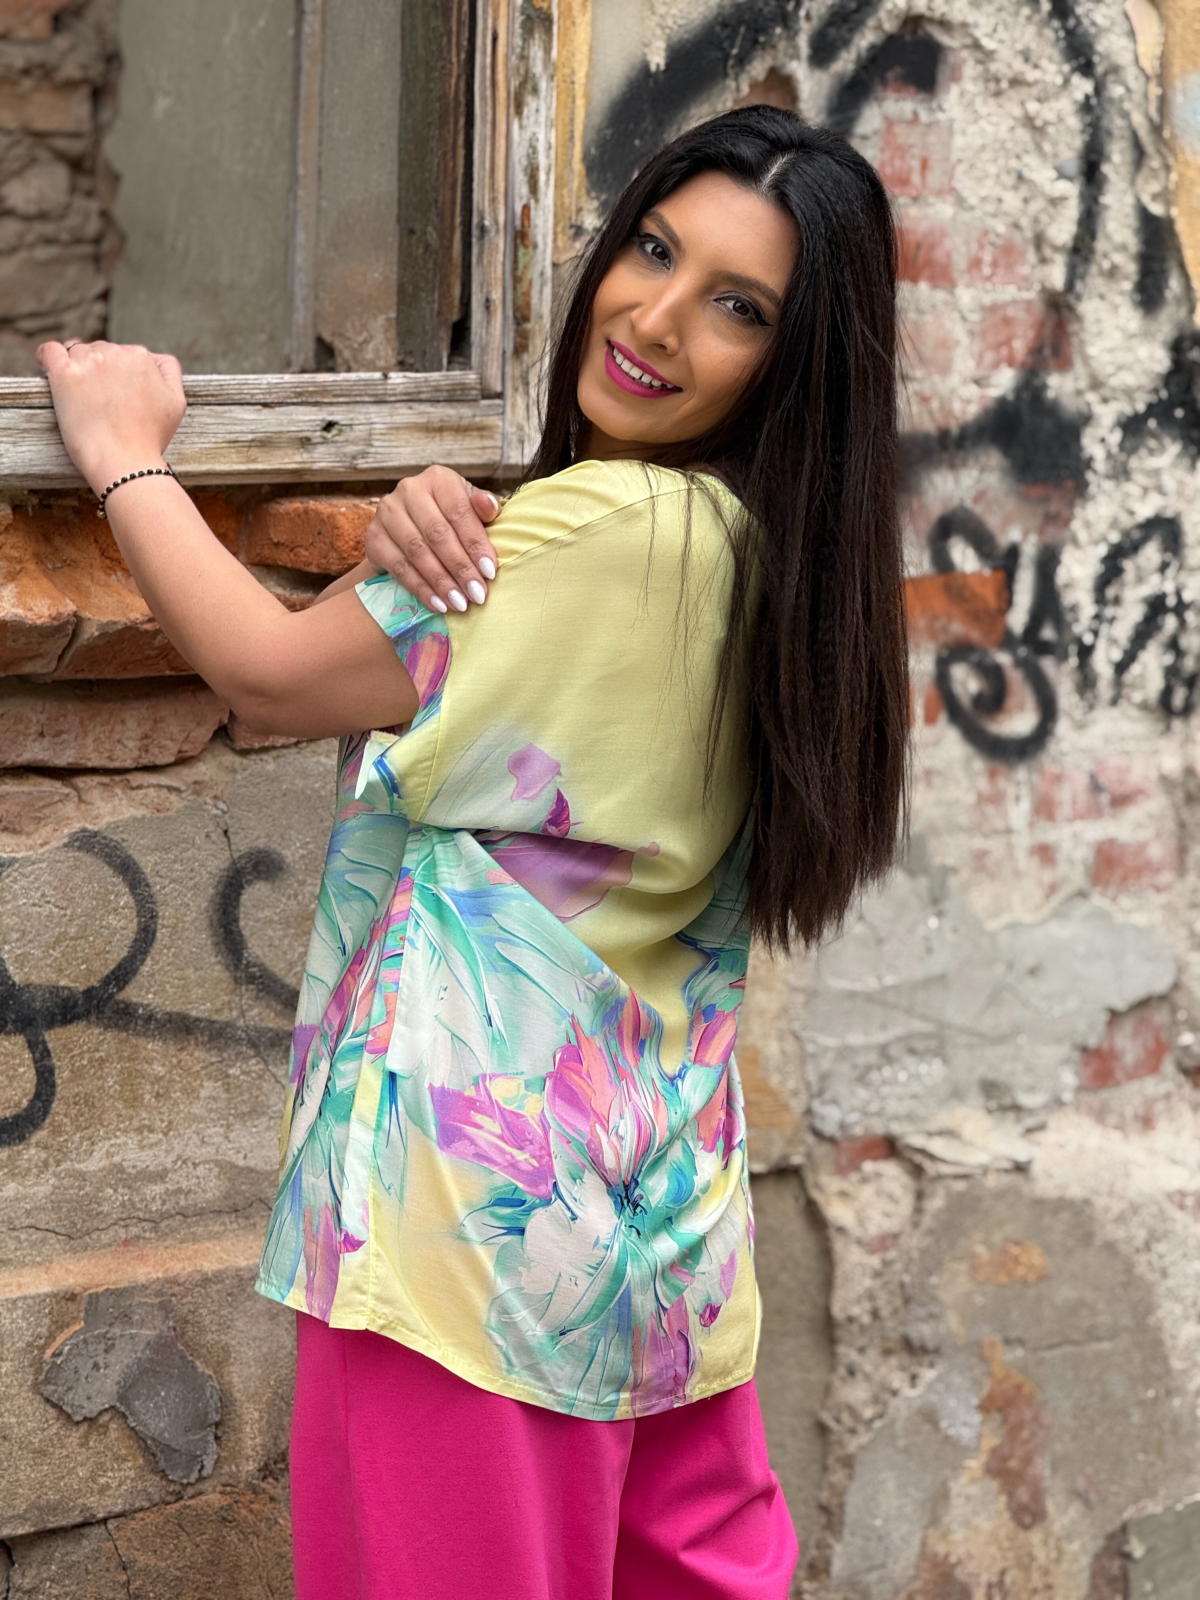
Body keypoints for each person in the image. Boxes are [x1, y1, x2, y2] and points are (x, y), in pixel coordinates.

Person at [39, 105, 906, 1600]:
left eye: (739, 308)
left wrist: (123, 454)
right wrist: (431, 528)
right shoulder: (771, 559)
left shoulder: (611, 532)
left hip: (470, 1260)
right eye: (653, 251)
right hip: (662, 1256)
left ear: (796, 363)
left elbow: (269, 680)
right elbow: (470, 668)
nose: (656, 318)